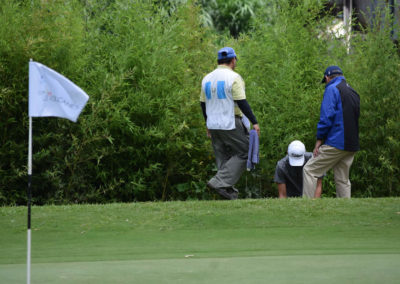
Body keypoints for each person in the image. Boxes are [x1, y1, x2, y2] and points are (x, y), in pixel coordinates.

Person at [200, 47, 260, 200]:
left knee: (223, 155)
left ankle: (226, 190)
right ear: (233, 60)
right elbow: (241, 101)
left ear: (218, 61)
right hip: (230, 121)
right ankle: (219, 182)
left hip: (213, 123)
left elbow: (203, 103)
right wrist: (254, 122)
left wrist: (207, 123)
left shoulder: (206, 78)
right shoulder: (233, 77)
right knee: (245, 150)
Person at [303, 66, 360, 198]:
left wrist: (319, 140)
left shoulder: (332, 89)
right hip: (352, 144)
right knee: (342, 179)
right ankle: (345, 211)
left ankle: (305, 206)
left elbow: (326, 117)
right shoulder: (353, 91)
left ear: (327, 78)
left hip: (337, 142)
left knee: (309, 170)